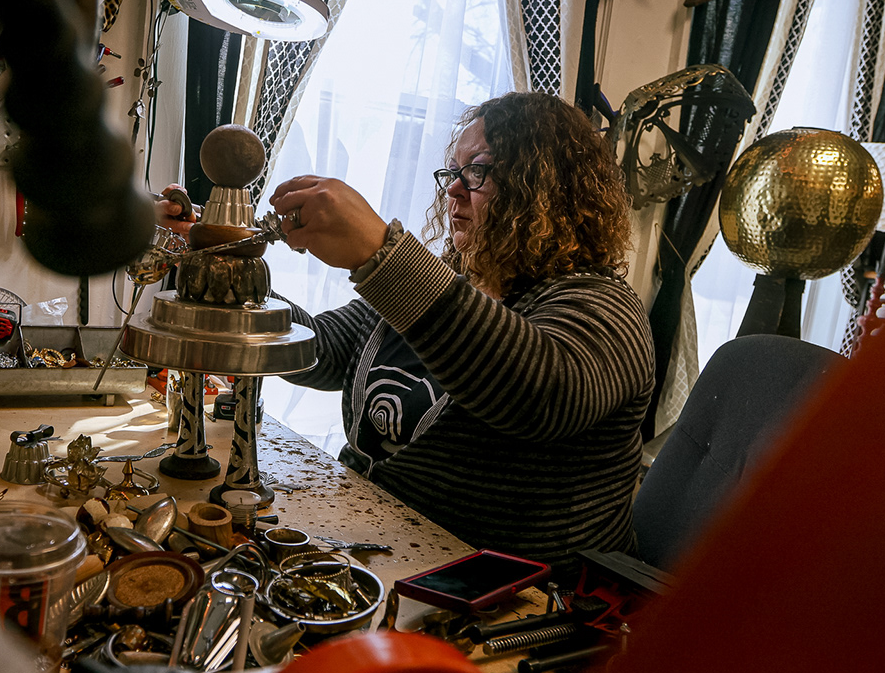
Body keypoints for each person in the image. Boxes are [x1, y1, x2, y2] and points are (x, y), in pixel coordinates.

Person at [264, 91, 654, 568]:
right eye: (454, 171)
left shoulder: (605, 306)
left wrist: (381, 255)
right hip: (387, 546)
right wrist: (232, 277)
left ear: (547, 187)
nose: (452, 189)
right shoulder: (449, 281)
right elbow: (321, 350)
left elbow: (539, 396)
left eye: (478, 170)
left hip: (518, 600)